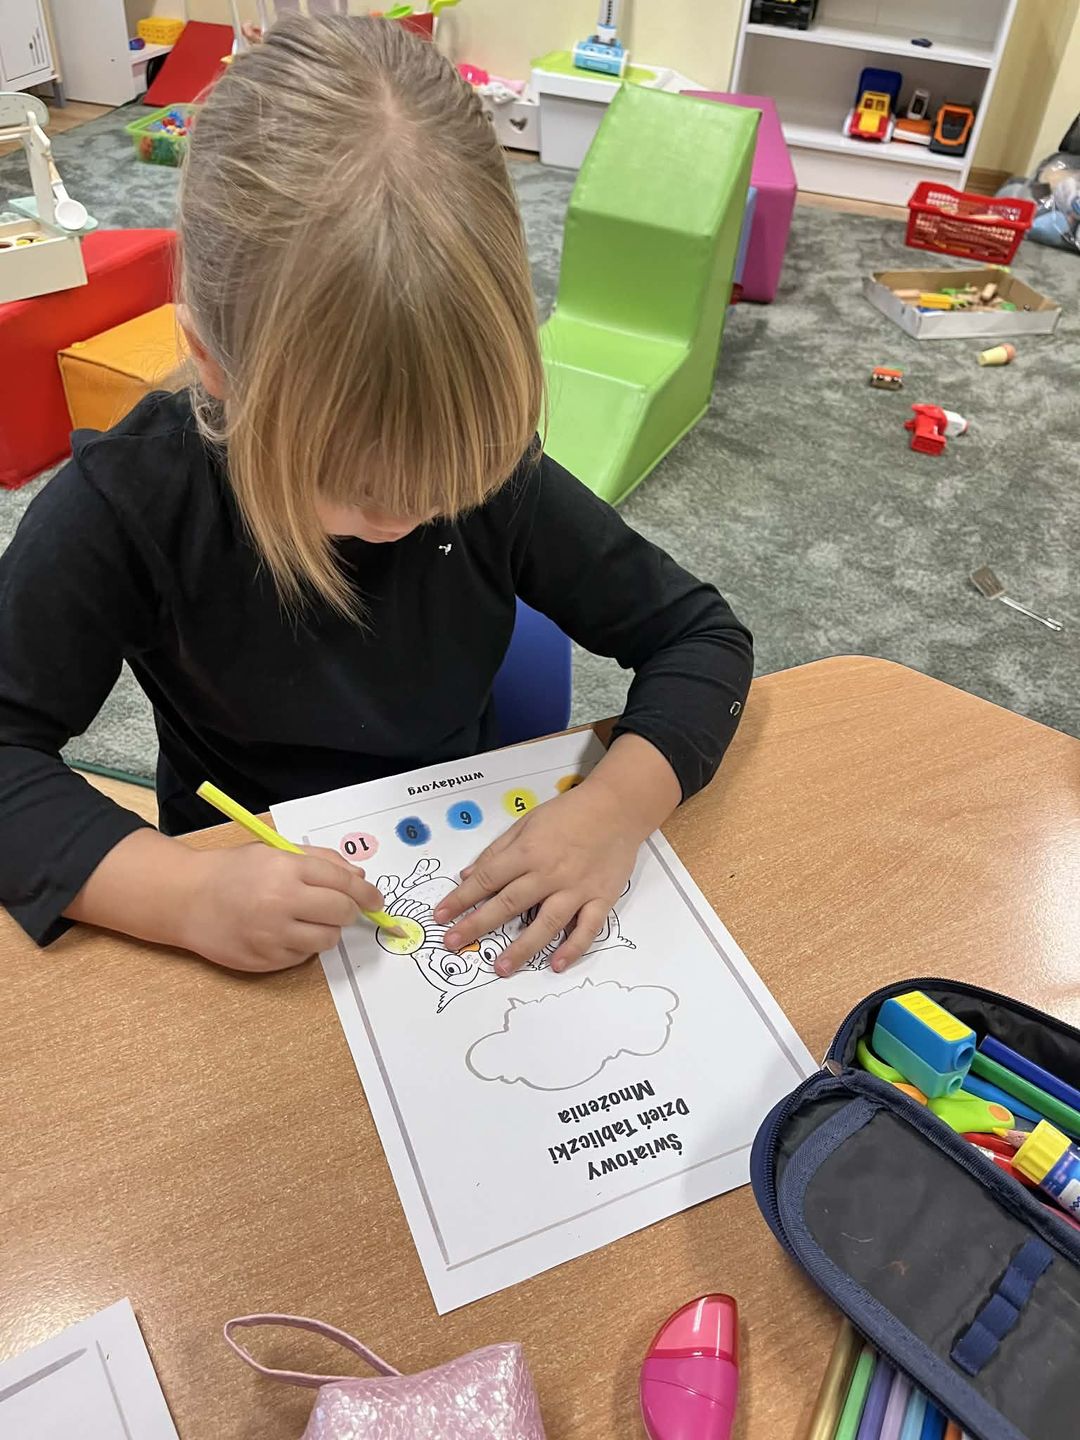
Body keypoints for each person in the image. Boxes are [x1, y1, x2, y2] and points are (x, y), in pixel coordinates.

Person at [0, 15, 751, 978]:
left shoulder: (492, 470)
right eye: (353, 487)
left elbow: (702, 636)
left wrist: (614, 810)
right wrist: (179, 894)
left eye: (452, 478)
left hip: (452, 845)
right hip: (245, 885)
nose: (405, 519)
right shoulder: (127, 506)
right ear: (212, 364)